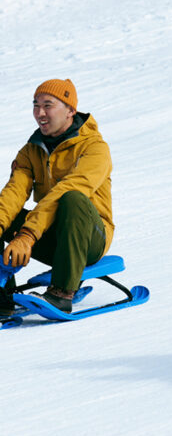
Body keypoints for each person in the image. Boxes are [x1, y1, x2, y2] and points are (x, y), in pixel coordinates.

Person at [0, 78, 114, 314]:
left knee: (71, 198)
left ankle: (62, 293)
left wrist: (28, 235)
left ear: (71, 110)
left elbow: (64, 192)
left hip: (89, 238)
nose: (39, 112)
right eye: (35, 105)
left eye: (48, 105)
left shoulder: (94, 148)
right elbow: (14, 193)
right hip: (52, 235)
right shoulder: (32, 150)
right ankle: (3, 298)